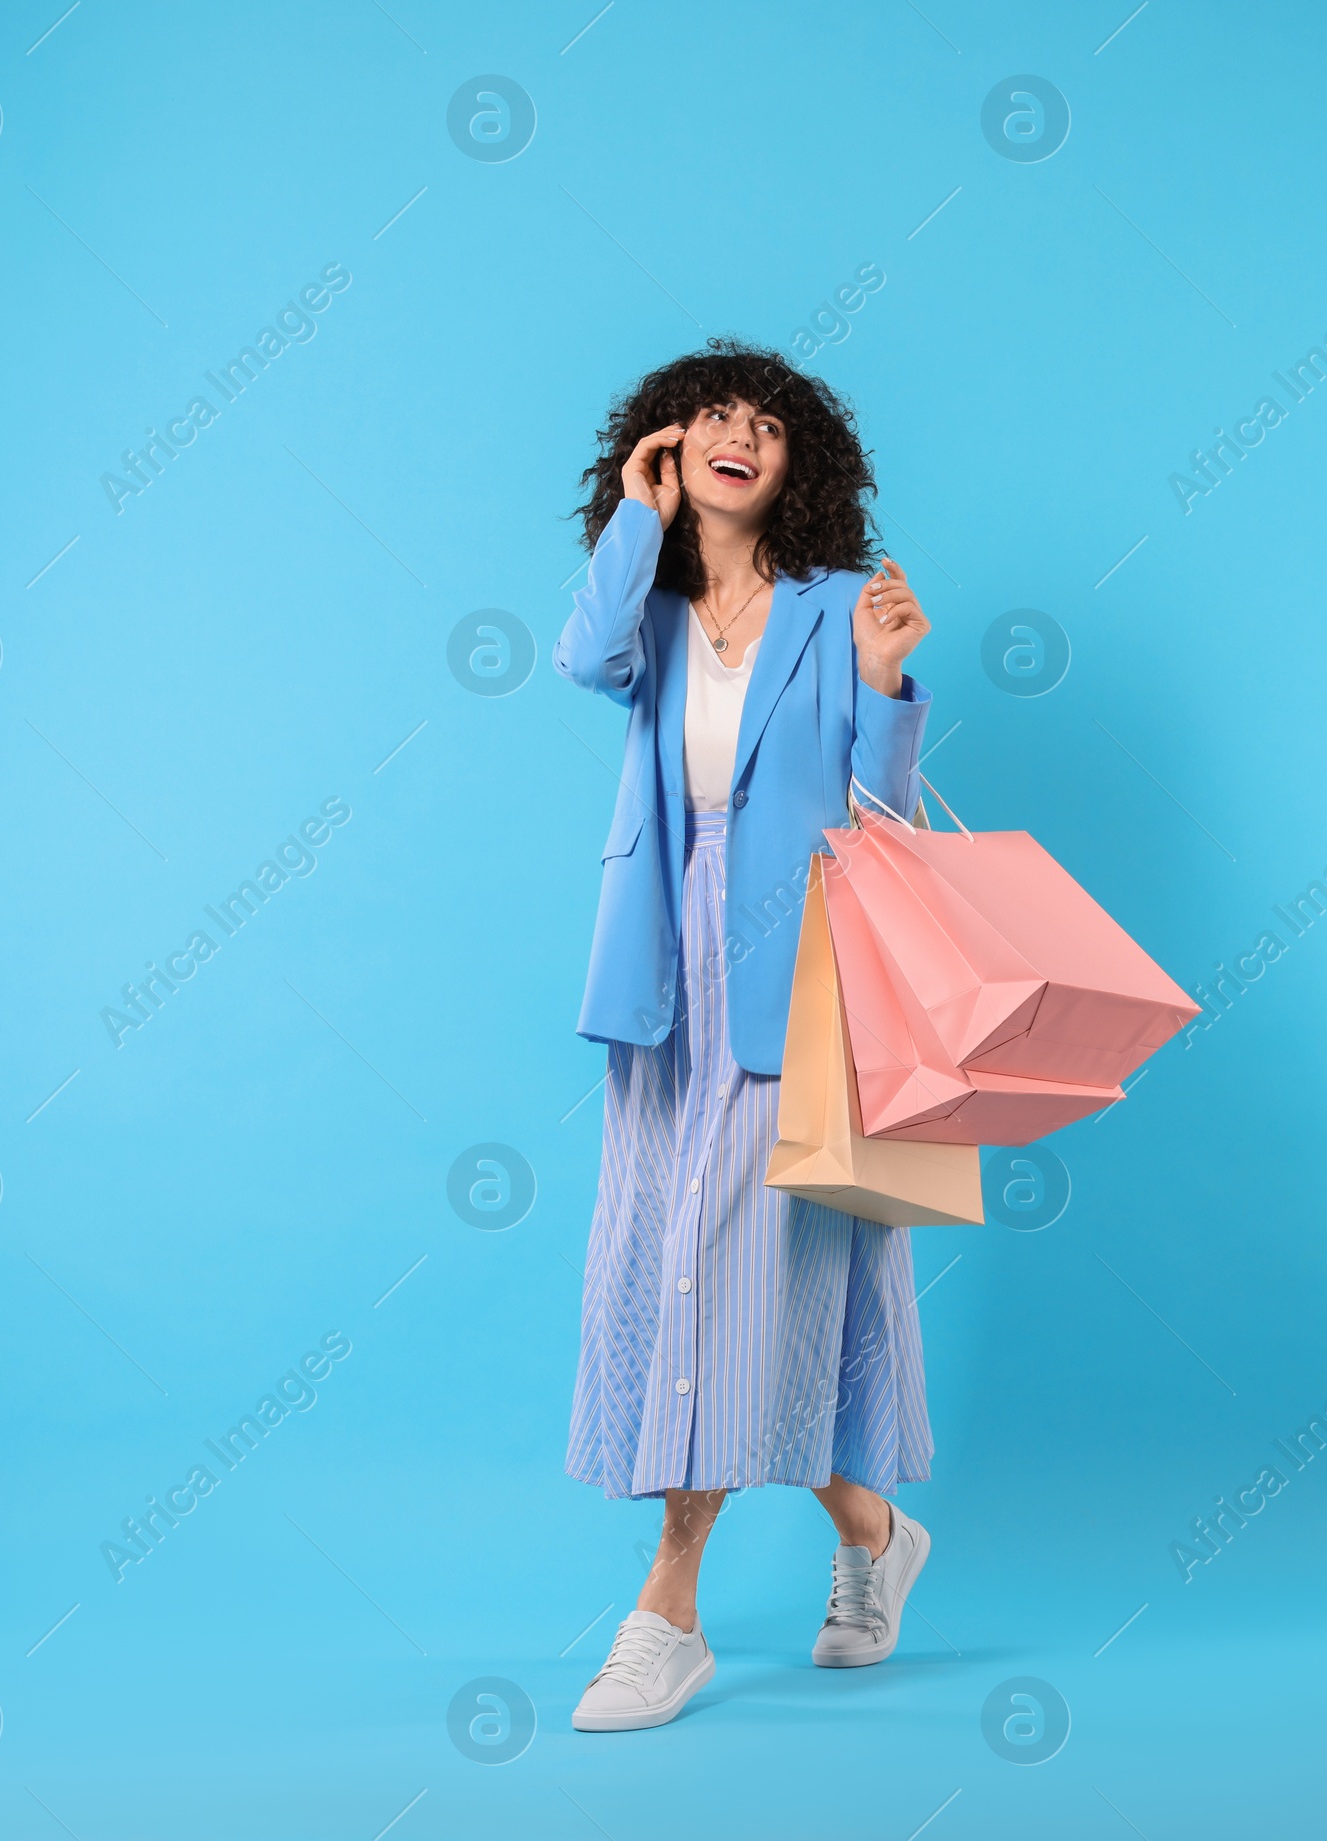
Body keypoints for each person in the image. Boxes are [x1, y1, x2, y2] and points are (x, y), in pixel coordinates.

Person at [554, 340, 935, 1733]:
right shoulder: (643, 606)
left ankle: (669, 1611)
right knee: (681, 1272)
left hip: (794, 973)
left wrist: (889, 689)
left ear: (798, 464)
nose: (740, 435)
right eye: (713, 417)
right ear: (667, 444)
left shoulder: (838, 606)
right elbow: (579, 658)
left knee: (726, 1266)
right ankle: (875, 1530)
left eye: (768, 425)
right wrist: (635, 521)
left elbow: (883, 815)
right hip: (662, 971)